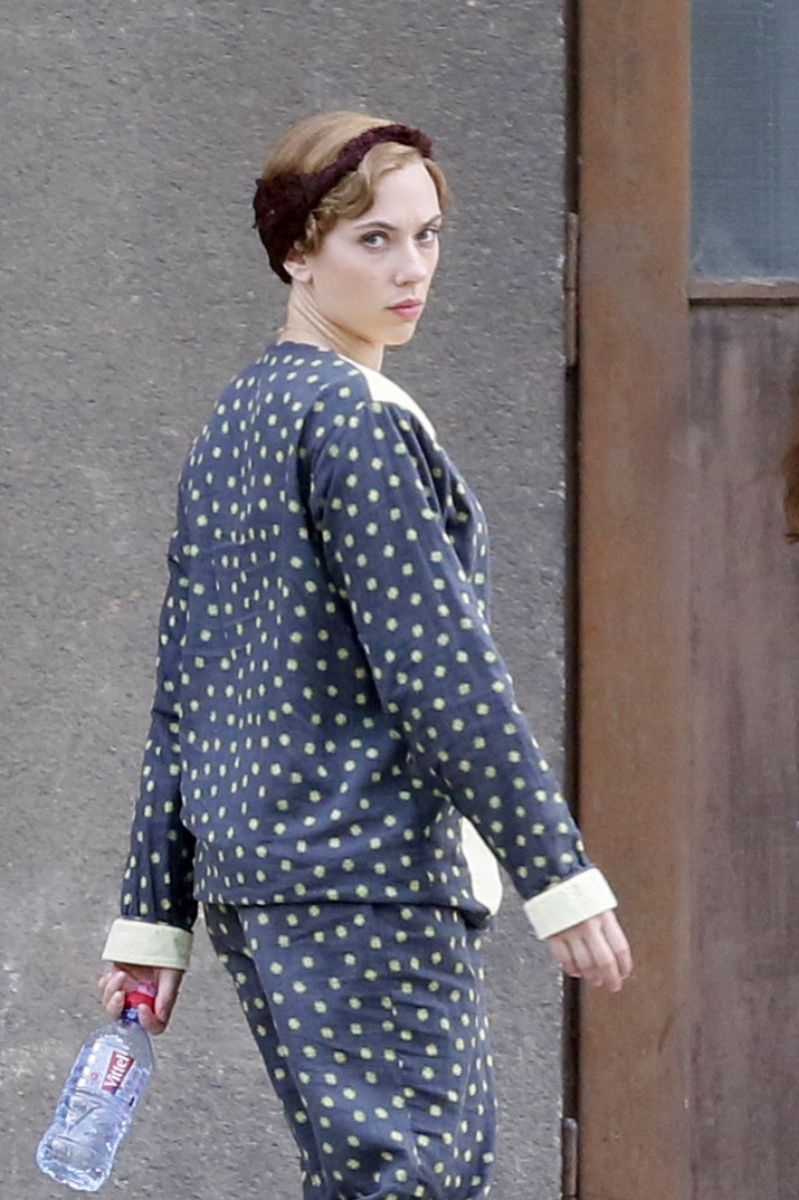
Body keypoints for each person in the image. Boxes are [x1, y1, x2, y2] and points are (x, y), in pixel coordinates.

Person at [98, 110, 632, 1200]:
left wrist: (155, 917)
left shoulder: (237, 419)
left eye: (426, 236)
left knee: (375, 1178)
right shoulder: (352, 419)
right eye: (373, 239)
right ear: (297, 250)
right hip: (365, 874)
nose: (411, 269)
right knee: (421, 1177)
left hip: (262, 881)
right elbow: (441, 674)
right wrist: (558, 876)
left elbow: (182, 695)